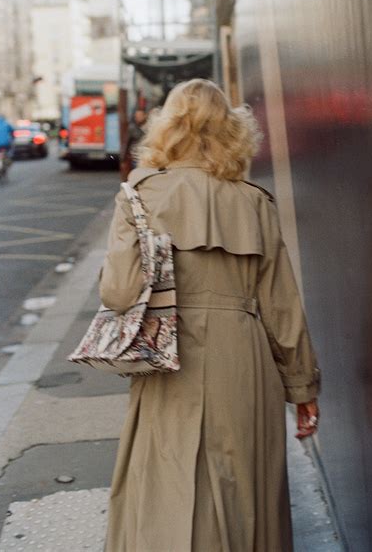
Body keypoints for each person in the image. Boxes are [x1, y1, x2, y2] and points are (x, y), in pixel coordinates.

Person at [100, 78, 320, 552]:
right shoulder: (254, 201)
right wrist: (302, 388)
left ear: (167, 128)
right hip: (243, 357)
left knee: (170, 487)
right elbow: (282, 306)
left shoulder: (139, 195)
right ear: (232, 132)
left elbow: (119, 293)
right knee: (246, 490)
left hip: (169, 355)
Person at [120, 108, 147, 180]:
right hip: (136, 155)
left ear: (145, 116)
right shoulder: (132, 128)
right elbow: (127, 142)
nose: (138, 118)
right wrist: (123, 157)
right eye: (136, 116)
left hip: (147, 154)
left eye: (140, 115)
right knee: (137, 172)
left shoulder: (149, 127)